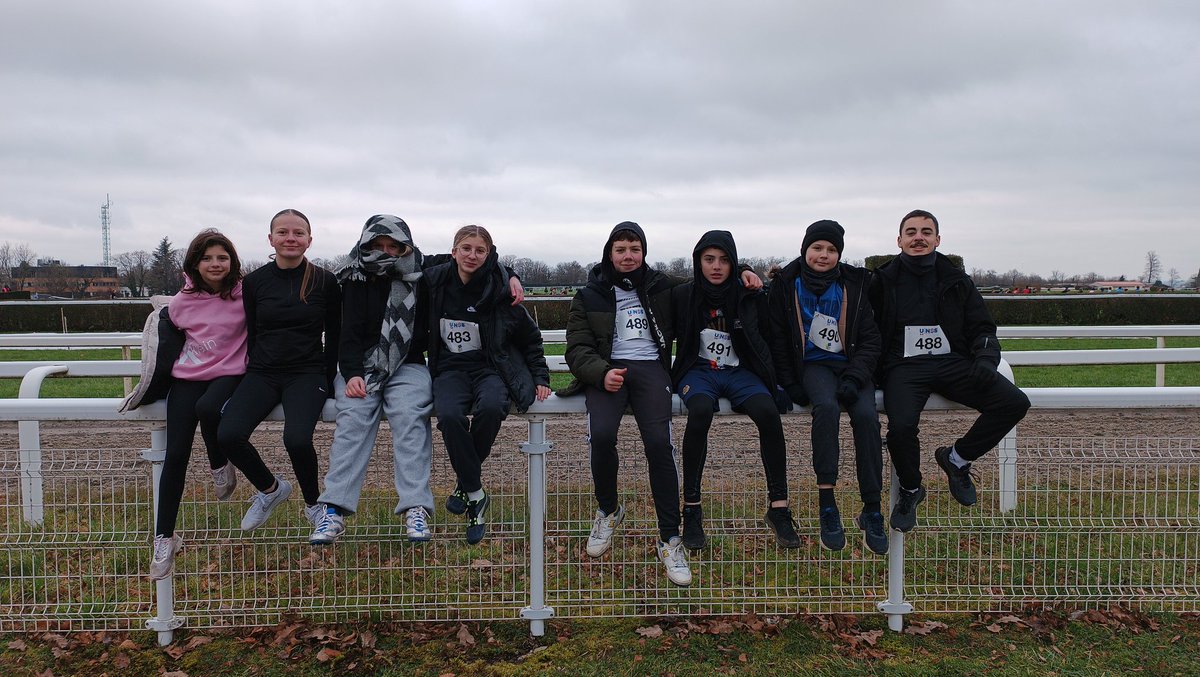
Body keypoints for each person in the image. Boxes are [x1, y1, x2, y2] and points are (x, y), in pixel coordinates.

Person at [561, 221, 761, 587]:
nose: (628, 256)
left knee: (659, 445)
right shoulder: (589, 295)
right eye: (621, 250)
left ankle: (670, 538)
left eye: (635, 249)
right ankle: (608, 510)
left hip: (651, 369)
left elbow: (707, 278)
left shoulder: (662, 286)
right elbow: (576, 348)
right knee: (601, 435)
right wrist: (601, 373)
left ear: (644, 253)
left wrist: (744, 270)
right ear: (609, 253)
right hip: (607, 371)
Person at [868, 209, 1030, 532]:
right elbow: (866, 329)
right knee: (901, 429)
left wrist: (985, 358)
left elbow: (982, 327)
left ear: (938, 240)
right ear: (899, 240)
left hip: (951, 362)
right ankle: (911, 490)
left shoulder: (957, 280)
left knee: (1014, 403)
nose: (918, 237)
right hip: (904, 366)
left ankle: (956, 459)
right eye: (911, 232)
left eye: (926, 232)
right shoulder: (881, 281)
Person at [307, 215, 435, 546]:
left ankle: (416, 507)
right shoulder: (353, 278)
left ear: (406, 247)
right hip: (361, 365)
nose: (386, 252)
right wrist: (351, 373)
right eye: (378, 245)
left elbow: (474, 255)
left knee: (409, 418)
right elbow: (346, 331)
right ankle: (333, 509)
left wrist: (512, 276)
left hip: (407, 364)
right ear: (366, 245)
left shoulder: (423, 272)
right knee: (353, 421)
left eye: (394, 246)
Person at [670, 230, 800, 551]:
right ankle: (692, 509)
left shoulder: (749, 293)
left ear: (733, 263)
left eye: (724, 260)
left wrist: (778, 381)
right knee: (700, 411)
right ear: (698, 262)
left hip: (740, 371)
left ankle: (779, 507)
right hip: (700, 372)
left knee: (768, 412)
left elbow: (770, 334)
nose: (716, 266)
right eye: (709, 259)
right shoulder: (682, 294)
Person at [423, 225, 550, 544]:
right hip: (450, 369)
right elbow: (407, 259)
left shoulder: (501, 290)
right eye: (466, 248)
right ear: (453, 251)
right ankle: (476, 493)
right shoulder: (434, 281)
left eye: (480, 250)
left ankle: (465, 485)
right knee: (449, 416)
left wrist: (540, 377)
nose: (472, 255)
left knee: (493, 407)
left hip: (490, 369)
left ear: (489, 255)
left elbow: (531, 339)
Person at [217, 208, 342, 535]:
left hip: (307, 374)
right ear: (270, 239)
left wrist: (328, 380)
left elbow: (335, 335)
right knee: (228, 434)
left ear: (309, 240)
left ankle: (314, 506)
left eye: (298, 233)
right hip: (263, 373)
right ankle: (271, 489)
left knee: (296, 440)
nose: (290, 238)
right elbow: (251, 332)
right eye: (283, 232)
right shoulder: (254, 282)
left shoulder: (325, 281)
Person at [768, 220, 887, 555]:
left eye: (831, 250)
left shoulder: (856, 284)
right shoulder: (786, 285)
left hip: (851, 367)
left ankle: (872, 508)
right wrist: (791, 383)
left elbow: (870, 340)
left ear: (839, 254)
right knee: (827, 408)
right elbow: (778, 339)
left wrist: (855, 377)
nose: (823, 255)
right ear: (805, 249)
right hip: (813, 366)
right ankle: (827, 504)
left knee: (867, 417)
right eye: (817, 248)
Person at [138, 229, 248, 579]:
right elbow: (167, 341)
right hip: (188, 376)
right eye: (207, 258)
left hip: (230, 373)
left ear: (232, 262)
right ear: (194, 264)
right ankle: (164, 538)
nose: (215, 264)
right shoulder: (180, 303)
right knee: (175, 454)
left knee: (209, 408)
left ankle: (220, 463)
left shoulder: (246, 295)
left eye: (222, 257)